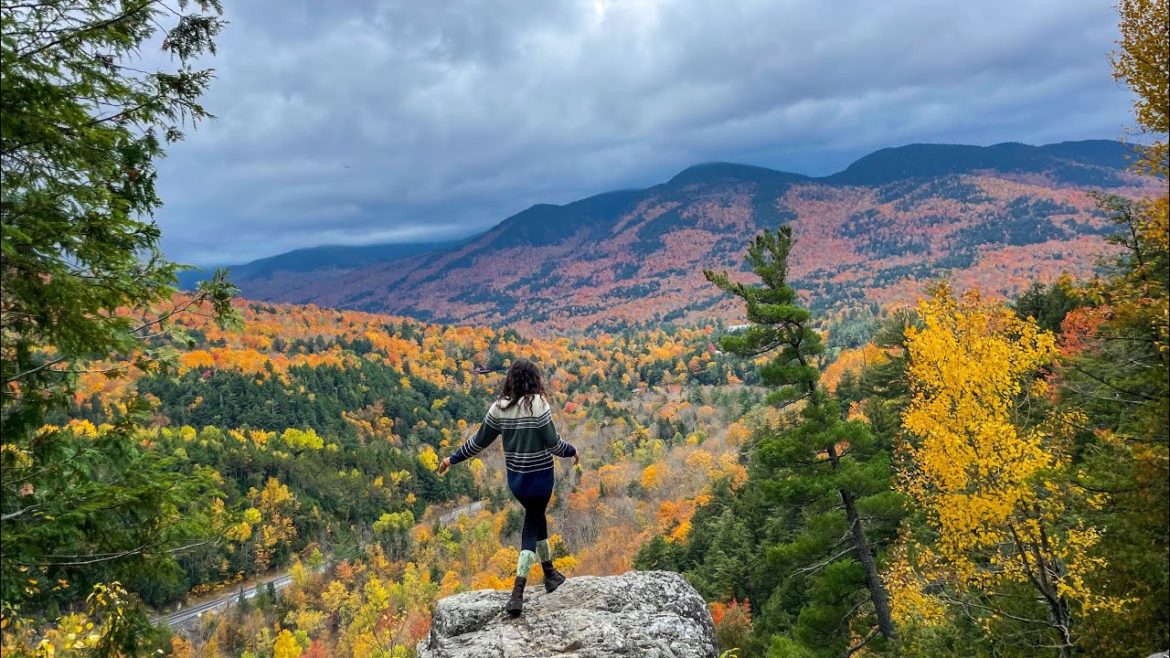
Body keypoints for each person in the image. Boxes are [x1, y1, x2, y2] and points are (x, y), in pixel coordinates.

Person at [437, 358, 579, 616]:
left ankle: (549, 573)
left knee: (537, 518)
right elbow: (553, 444)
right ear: (534, 379)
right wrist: (572, 451)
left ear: (510, 380)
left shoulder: (498, 408)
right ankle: (518, 592)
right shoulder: (538, 405)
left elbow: (478, 442)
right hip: (541, 478)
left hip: (517, 481)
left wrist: (452, 459)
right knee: (531, 526)